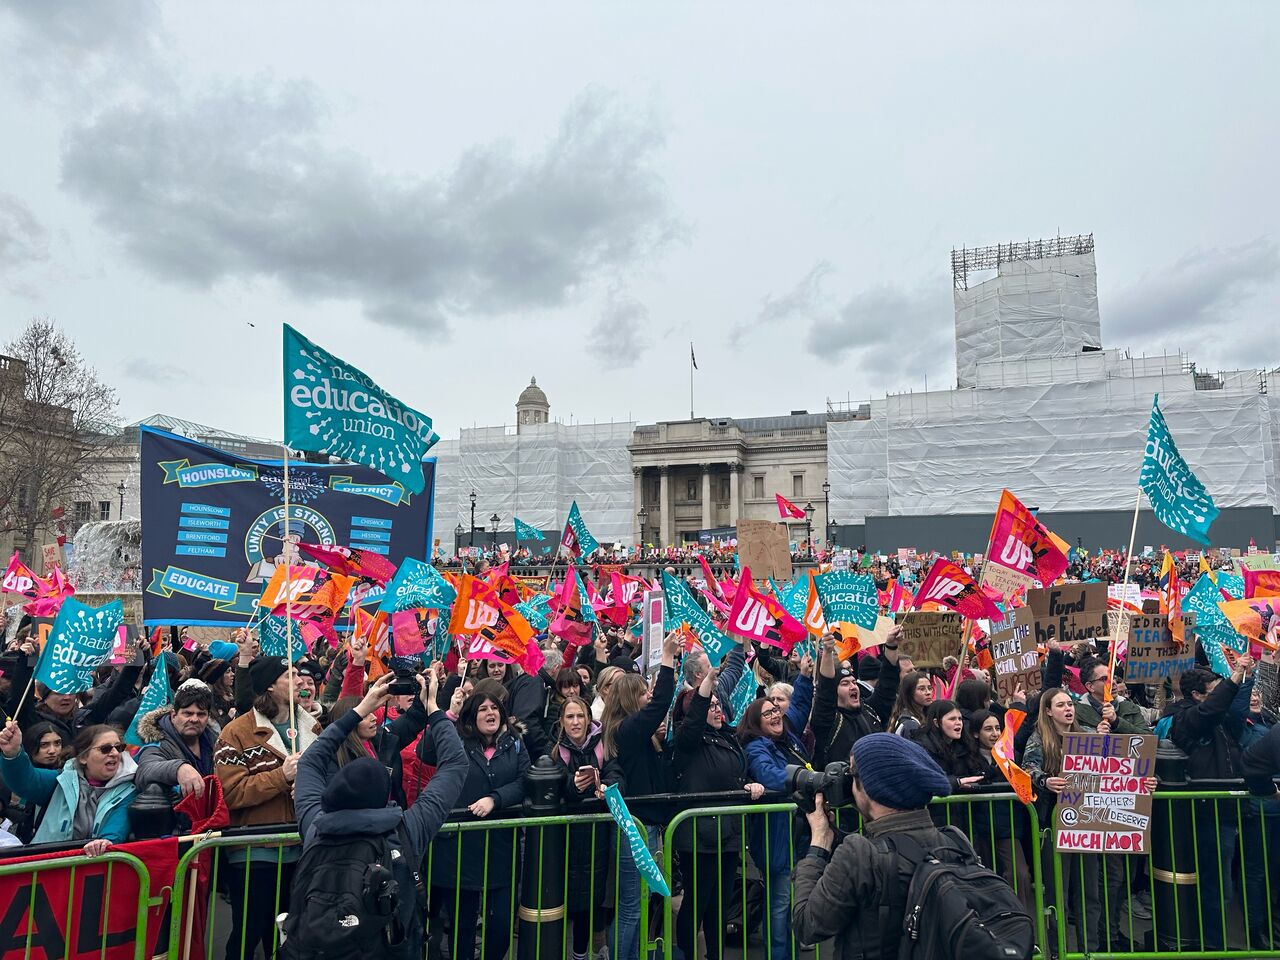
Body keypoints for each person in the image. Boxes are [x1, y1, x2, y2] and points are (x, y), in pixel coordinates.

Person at [290, 670, 468, 960]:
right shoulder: (406, 830)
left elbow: (310, 762)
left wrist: (360, 710)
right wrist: (435, 708)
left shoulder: (314, 827)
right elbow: (456, 765)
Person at [790, 733, 956, 959]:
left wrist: (819, 842)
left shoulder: (860, 854)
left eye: (852, 774)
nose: (848, 782)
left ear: (871, 787)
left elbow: (808, 925)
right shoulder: (953, 841)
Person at [214, 657, 319, 960]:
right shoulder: (235, 733)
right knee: (248, 932)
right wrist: (281, 776)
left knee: (293, 931)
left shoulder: (311, 726)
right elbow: (231, 793)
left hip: (301, 848)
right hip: (255, 852)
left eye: (300, 675)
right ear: (271, 686)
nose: (300, 681)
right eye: (291, 675)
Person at [418, 688, 529, 960]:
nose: (490, 713)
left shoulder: (514, 742)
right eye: (482, 709)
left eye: (494, 708)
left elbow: (525, 779)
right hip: (460, 850)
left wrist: (496, 798)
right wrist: (450, 713)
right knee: (461, 926)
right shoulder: (456, 738)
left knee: (501, 925)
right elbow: (425, 751)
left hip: (500, 848)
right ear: (471, 716)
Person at [671, 666, 765, 960]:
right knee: (697, 902)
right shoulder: (687, 742)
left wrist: (747, 785)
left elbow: (732, 773)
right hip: (699, 836)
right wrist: (708, 684)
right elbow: (694, 719)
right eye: (710, 705)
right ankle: (688, 954)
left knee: (720, 904)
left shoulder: (726, 737)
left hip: (728, 833)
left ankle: (716, 954)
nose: (717, 709)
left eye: (718, 705)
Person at [1164, 658, 1253, 949]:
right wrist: (1233, 678)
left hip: (1228, 811)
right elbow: (1211, 710)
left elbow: (1233, 710)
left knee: (1224, 883)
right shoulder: (1186, 718)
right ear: (1197, 696)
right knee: (1216, 886)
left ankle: (1215, 940)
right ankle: (1212, 945)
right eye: (1213, 690)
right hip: (1206, 812)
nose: (1218, 695)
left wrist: (1245, 678)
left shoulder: (1221, 717)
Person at [602, 632, 680, 960]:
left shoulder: (633, 731)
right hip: (635, 828)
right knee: (631, 906)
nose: (649, 698)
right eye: (643, 694)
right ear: (631, 700)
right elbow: (662, 702)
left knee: (638, 903)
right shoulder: (626, 729)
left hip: (646, 824)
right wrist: (666, 659)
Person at [739, 656, 814, 960]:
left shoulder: (788, 738)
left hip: (798, 833)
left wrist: (806, 676)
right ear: (756, 723)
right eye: (767, 712)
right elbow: (770, 775)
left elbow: (800, 706)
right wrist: (804, 778)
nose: (776, 714)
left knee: (794, 902)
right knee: (780, 904)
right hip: (777, 838)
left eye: (777, 709)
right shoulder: (757, 747)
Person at [550, 696, 622, 960]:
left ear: (589, 718)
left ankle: (586, 950)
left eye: (580, 716)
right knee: (571, 899)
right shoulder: (556, 750)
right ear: (562, 721)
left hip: (599, 832)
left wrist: (607, 786)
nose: (576, 722)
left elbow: (616, 772)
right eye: (570, 717)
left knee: (595, 896)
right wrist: (573, 787)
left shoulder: (603, 745)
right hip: (567, 835)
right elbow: (553, 784)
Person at [0, 721, 136, 855]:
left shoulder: (129, 789)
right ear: (83, 757)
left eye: (119, 748)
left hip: (92, 869)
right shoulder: (59, 781)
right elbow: (25, 780)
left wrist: (106, 841)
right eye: (105, 749)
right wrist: (13, 753)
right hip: (46, 868)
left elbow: (119, 823)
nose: (115, 753)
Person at [810, 634, 903, 767]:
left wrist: (891, 646)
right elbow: (825, 691)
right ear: (835, 691)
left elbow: (887, 686)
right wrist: (828, 652)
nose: (853, 686)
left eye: (854, 682)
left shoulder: (870, 711)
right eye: (845, 684)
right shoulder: (828, 720)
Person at [134, 678, 219, 804]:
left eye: (201, 714)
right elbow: (145, 770)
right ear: (174, 716)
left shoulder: (215, 741)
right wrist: (179, 768)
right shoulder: (158, 742)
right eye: (188, 713)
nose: (194, 719)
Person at [1071, 656, 1151, 733]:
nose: (1112, 682)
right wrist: (1095, 735)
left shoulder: (1129, 707)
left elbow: (1149, 739)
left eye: (1112, 677)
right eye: (1105, 679)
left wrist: (1117, 722)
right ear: (1090, 686)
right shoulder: (1075, 712)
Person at [888, 670, 933, 738]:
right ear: (909, 693)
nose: (928, 692)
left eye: (930, 688)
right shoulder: (909, 724)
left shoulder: (926, 714)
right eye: (922, 689)